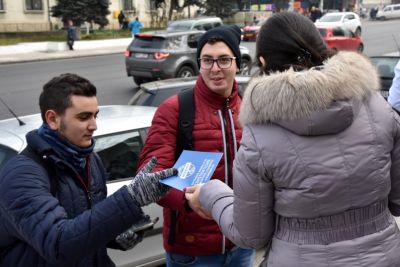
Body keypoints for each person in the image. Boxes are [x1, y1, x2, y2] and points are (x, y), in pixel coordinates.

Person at [185, 11, 400, 267]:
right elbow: (397, 201)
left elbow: (251, 235)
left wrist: (211, 193)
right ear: (320, 47)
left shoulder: (260, 135)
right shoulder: (378, 107)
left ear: (264, 60)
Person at [0, 73, 176, 267]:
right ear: (52, 119)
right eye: (84, 117)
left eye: (95, 115)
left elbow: (83, 223)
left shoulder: (90, 159)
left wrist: (113, 235)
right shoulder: (21, 176)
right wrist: (132, 197)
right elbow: (59, 245)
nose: (94, 125)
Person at [137, 25, 256, 267]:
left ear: (236, 63)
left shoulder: (250, 106)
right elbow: (151, 177)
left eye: (224, 60)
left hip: (242, 246)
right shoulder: (175, 109)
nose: (215, 69)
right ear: (199, 64)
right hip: (192, 252)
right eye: (207, 60)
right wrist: (189, 200)